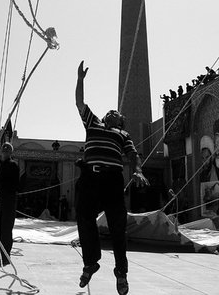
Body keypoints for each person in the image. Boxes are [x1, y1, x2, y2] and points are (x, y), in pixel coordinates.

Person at [74, 61, 149, 295]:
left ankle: (121, 273)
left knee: (118, 228)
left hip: (112, 182)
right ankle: (91, 262)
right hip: (89, 178)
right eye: (111, 112)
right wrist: (80, 80)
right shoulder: (93, 123)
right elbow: (79, 103)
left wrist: (138, 170)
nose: (113, 113)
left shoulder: (122, 135)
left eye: (117, 114)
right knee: (85, 219)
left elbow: (133, 154)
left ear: (121, 121)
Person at [0, 142, 19, 266]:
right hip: (0, 201)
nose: (4, 153)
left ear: (10, 153)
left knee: (6, 230)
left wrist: (1, 187)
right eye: (3, 150)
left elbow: (14, 184)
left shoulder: (13, 165)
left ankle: (5, 256)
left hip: (8, 201)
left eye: (7, 151)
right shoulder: (1, 165)